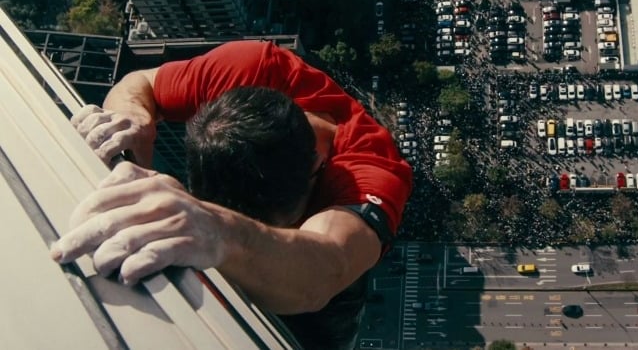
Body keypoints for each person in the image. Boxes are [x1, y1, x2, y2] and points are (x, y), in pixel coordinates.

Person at [50, 40, 413, 349]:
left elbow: (324, 272)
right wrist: (134, 119)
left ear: (318, 166)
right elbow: (140, 82)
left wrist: (220, 229)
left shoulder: (370, 171)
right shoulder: (248, 70)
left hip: (316, 302)